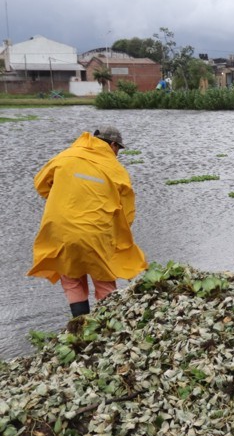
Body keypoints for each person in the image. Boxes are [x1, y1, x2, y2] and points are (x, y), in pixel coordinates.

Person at [27, 127, 147, 318]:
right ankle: (106, 324)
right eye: (118, 149)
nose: (117, 154)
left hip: (61, 229)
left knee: (71, 277)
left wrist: (63, 197)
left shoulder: (66, 156)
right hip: (96, 231)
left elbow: (40, 184)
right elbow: (127, 211)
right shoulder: (114, 168)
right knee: (104, 279)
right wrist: (121, 234)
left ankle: (80, 325)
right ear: (113, 145)